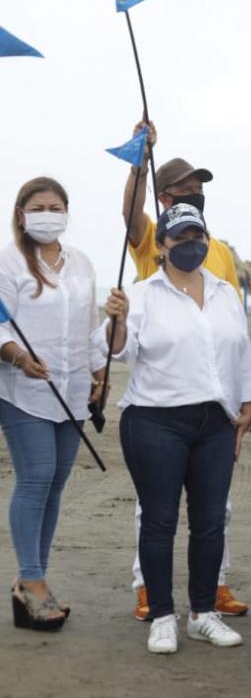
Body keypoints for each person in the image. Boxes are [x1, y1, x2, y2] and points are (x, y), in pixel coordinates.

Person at [98, 204, 251, 654]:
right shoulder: (142, 294)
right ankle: (163, 616)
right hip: (155, 420)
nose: (191, 244)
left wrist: (250, 397)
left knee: (211, 521)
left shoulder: (224, 292)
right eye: (181, 237)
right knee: (159, 520)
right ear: (162, 244)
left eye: (198, 235)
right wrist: (114, 319)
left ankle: (203, 613)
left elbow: (238, 349)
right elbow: (115, 351)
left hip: (215, 420)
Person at [119, 120, 247, 621]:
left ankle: (213, 587)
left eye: (200, 187)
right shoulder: (152, 236)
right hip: (160, 392)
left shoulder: (217, 249)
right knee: (155, 509)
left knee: (216, 508)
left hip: (216, 396)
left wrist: (242, 394)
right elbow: (130, 214)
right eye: (185, 188)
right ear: (164, 196)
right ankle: (148, 588)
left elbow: (233, 320)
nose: (195, 193)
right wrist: (139, 161)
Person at [0, 178, 104, 630]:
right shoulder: (7, 261)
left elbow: (90, 323)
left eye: (56, 206)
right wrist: (19, 358)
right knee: (36, 475)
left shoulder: (80, 264)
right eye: (38, 206)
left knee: (56, 483)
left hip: (73, 388)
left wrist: (100, 372)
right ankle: (33, 580)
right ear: (22, 213)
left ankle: (32, 582)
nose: (48, 213)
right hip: (23, 389)